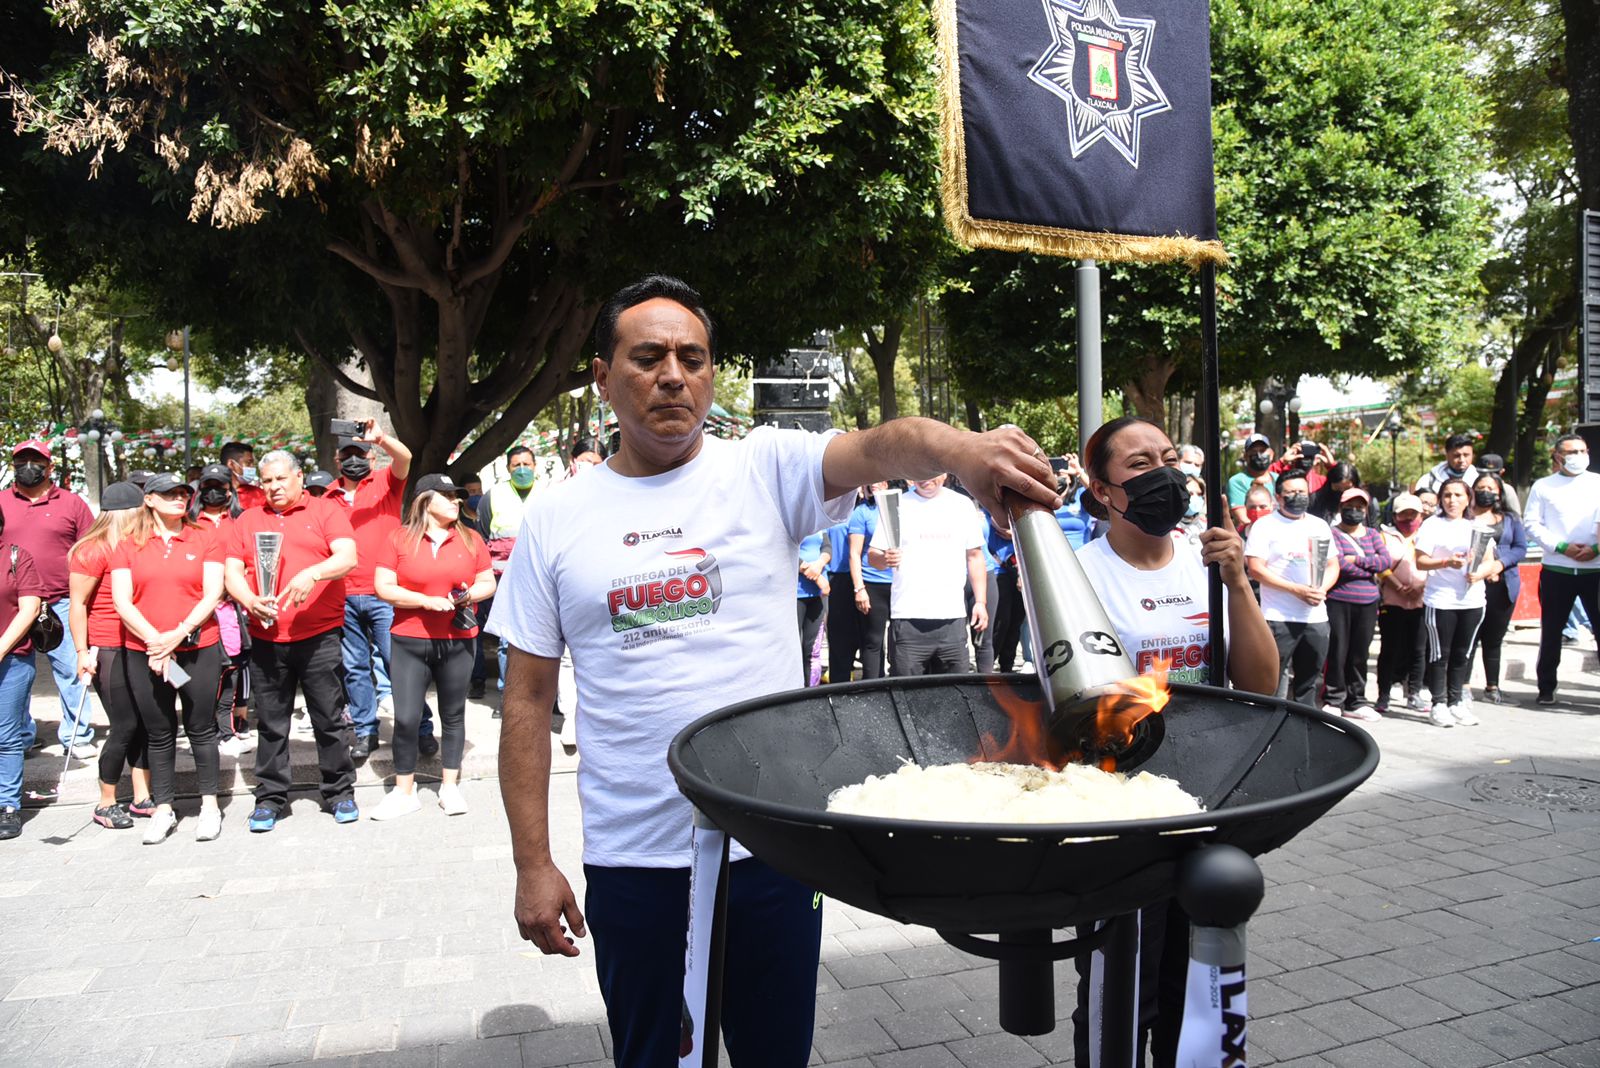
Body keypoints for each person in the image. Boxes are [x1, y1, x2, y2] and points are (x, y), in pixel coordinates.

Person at [487, 274, 1058, 1067]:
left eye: (693, 357)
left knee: (774, 1055)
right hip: (636, 861)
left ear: (712, 372)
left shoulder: (763, 468)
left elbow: (878, 445)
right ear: (602, 375)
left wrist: (961, 451)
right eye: (647, 357)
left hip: (774, 847)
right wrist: (532, 864)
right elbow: (525, 703)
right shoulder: (555, 516)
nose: (672, 376)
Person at [1070, 417, 1277, 1065]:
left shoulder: (1206, 560)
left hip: (1212, 801)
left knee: (1200, 986)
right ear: (1102, 490)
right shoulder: (1078, 576)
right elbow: (1079, 709)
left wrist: (1238, 582)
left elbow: (1261, 684)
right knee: (1124, 990)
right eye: (1137, 464)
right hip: (1122, 816)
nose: (1161, 473)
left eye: (1167, 456)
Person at [223, 450, 361, 830]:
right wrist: (248, 599)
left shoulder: (324, 511)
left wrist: (313, 574)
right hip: (267, 636)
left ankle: (339, 792)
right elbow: (232, 569)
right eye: (267, 481)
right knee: (270, 722)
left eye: (281, 479)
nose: (274, 487)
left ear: (299, 477)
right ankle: (270, 798)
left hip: (318, 636)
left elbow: (347, 557)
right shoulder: (249, 519)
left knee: (328, 719)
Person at [109, 474, 227, 843]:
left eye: (183, 494)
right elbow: (121, 600)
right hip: (145, 651)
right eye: (170, 494)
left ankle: (210, 806)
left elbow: (213, 593)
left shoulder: (204, 537)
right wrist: (155, 642)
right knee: (158, 734)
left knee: (202, 728)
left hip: (198, 647)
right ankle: (163, 809)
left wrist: (177, 634)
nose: (180, 498)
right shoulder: (128, 544)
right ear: (150, 500)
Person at [370, 473, 495, 819]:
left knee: (453, 715)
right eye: (448, 496)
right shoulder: (398, 538)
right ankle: (404, 791)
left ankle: (450, 787)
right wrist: (424, 601)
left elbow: (487, 581)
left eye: (457, 496)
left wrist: (467, 595)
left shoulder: (470, 539)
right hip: (410, 639)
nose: (457, 501)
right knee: (407, 718)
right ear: (425, 500)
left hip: (459, 640)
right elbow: (383, 586)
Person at [324, 423, 420, 763]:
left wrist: (379, 438)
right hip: (344, 594)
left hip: (385, 592)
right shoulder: (326, 499)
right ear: (337, 460)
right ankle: (366, 730)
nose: (353, 460)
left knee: (400, 663)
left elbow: (405, 456)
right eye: (346, 455)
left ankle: (420, 726)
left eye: (360, 454)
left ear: (372, 457)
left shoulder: (385, 483)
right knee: (355, 667)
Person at [1, 439, 97, 757]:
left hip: (61, 600)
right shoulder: (1, 501)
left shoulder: (72, 503)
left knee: (71, 669)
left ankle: (77, 735)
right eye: (22, 461)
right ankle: (21, 735)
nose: (28, 467)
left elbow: (90, 549)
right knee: (15, 673)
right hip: (12, 607)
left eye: (35, 460)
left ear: (49, 466)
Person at [67, 482, 152, 829]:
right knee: (124, 725)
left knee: (145, 722)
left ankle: (142, 795)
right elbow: (77, 605)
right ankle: (106, 801)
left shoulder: (138, 546)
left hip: (139, 644)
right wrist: (82, 651)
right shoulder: (92, 549)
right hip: (107, 646)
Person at [868, 474, 987, 676]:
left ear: (944, 473)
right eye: (918, 475)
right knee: (908, 695)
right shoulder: (897, 505)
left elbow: (975, 556)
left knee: (954, 693)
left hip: (952, 617)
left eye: (931, 474)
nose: (924, 480)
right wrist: (886, 558)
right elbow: (873, 556)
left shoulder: (961, 504)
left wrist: (980, 602)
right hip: (908, 618)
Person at [1245, 470, 1340, 705]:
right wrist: (1296, 590)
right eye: (1291, 492)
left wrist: (1321, 589)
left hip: (1315, 617)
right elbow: (1255, 568)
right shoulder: (1265, 526)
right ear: (1278, 496)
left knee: (1308, 683)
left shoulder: (1319, 525)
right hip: (1278, 616)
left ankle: (1304, 734)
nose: (1297, 496)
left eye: (1302, 492)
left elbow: (1333, 565)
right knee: (1273, 682)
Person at [1523, 433, 1600, 706]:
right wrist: (1562, 546)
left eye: (1582, 450)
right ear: (1558, 457)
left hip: (1595, 569)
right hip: (1558, 569)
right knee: (1552, 631)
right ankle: (1546, 687)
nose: (1578, 456)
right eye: (1571, 452)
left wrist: (1596, 550)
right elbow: (1532, 523)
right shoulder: (1543, 486)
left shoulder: (1597, 482)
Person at [1414, 479, 1496, 726]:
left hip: (1472, 600)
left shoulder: (1476, 526)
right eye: (1447, 495)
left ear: (1468, 498)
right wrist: (1446, 562)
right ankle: (1438, 704)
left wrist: (1479, 572)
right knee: (1440, 654)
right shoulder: (1432, 526)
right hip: (1442, 600)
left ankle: (1455, 701)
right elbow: (1420, 561)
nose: (1452, 500)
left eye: (1458, 495)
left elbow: (1490, 560)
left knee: (1463, 653)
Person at [190, 463, 254, 759]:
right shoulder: (189, 521)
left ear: (231, 490)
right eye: (208, 486)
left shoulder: (242, 520)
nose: (214, 492)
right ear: (200, 489)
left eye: (221, 486)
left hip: (235, 606)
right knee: (200, 675)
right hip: (200, 607)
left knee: (235, 668)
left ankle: (233, 725)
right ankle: (203, 730)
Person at [473, 445, 542, 698]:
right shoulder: (494, 496)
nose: (522, 470)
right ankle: (508, 695)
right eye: (516, 465)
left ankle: (549, 697)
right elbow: (481, 536)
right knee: (507, 641)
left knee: (546, 638)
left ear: (535, 466)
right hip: (505, 581)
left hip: (542, 579)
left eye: (527, 464)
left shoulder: (549, 493)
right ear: (508, 469)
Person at [1323, 487, 1390, 720]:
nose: (1355, 511)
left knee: (1360, 652)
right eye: (1349, 506)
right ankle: (1334, 698)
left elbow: (1385, 561)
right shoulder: (1332, 533)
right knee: (1337, 651)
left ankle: (1357, 700)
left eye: (1360, 507)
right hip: (1339, 599)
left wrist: (1358, 560)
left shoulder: (1372, 534)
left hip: (1368, 601)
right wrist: (1367, 565)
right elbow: (1339, 563)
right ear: (1340, 508)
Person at [0, 507, 44, 842]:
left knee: (5, 737)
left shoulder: (16, 557)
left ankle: (8, 806)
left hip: (11, 660)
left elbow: (29, 608)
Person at [1468, 472, 1527, 705]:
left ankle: (1492, 686)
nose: (1486, 492)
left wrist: (1498, 564)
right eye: (1481, 487)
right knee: (1469, 639)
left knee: (1493, 639)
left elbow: (1520, 548)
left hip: (1503, 587)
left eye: (1491, 488)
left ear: (1500, 493)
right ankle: (1463, 686)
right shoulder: (1465, 519)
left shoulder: (1510, 519)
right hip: (1472, 585)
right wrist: (1484, 568)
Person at [1373, 493, 1428, 717]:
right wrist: (1395, 584)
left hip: (1421, 601)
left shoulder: (1427, 536)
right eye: (1403, 514)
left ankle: (1413, 692)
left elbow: (1434, 565)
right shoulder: (1384, 536)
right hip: (1391, 600)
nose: (1408, 519)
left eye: (1412, 514)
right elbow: (1379, 563)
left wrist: (1420, 587)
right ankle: (1383, 694)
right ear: (1394, 516)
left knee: (1418, 650)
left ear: (1421, 516)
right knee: (1389, 649)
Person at [843, 483, 895, 680]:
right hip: (873, 583)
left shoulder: (904, 508)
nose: (874, 483)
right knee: (873, 641)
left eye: (879, 478)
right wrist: (859, 588)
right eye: (869, 480)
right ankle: (875, 687)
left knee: (901, 640)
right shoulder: (862, 512)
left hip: (900, 584)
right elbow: (854, 554)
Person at [796, 531, 830, 685]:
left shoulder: (818, 522)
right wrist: (814, 574)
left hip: (817, 596)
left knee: (812, 652)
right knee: (792, 650)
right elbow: (783, 551)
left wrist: (820, 564)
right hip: (793, 595)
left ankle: (811, 695)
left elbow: (827, 547)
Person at [1228, 433, 1278, 528]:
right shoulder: (1237, 481)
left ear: (1271, 454)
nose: (1259, 455)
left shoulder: (1278, 479)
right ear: (1246, 456)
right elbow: (1242, 518)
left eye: (1263, 451)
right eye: (1254, 452)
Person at [220, 441, 266, 510]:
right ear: (231, 464)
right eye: (248, 463)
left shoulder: (259, 494)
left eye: (252, 463)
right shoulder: (214, 494)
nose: (252, 467)